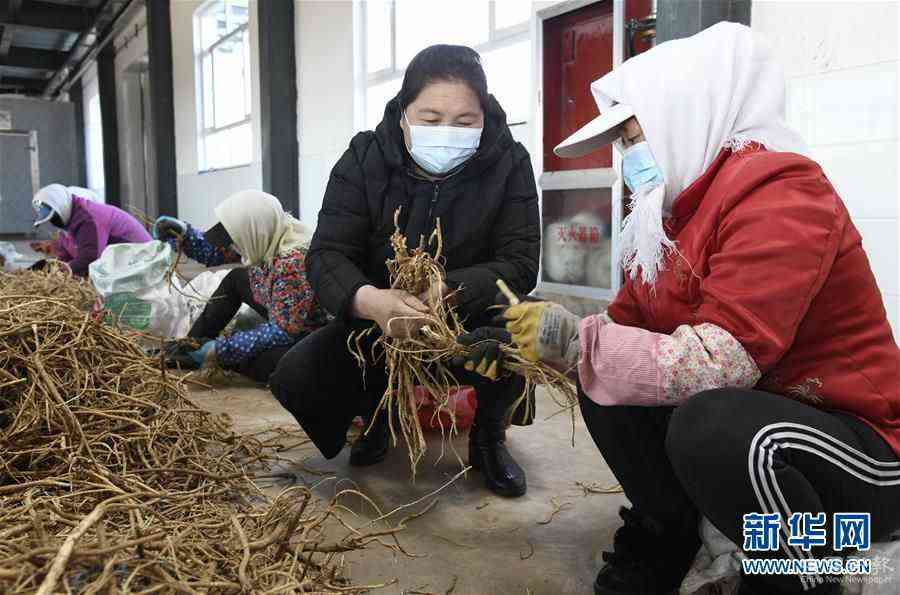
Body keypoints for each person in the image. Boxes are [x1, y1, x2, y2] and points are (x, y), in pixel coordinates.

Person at [461, 23, 900, 595]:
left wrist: (579, 343)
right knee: (608, 383)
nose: (628, 159)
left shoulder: (785, 195)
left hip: (862, 448)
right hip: (767, 424)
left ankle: (797, 576)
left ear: (687, 115)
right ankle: (668, 535)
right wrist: (532, 349)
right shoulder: (673, 216)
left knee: (711, 425)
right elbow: (620, 332)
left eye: (633, 137)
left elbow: (722, 363)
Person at [268, 44, 541, 497]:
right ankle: (379, 416)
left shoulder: (508, 162)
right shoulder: (364, 159)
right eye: (430, 120)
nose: (447, 132)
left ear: (484, 117)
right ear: (403, 114)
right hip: (382, 318)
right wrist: (371, 300)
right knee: (299, 372)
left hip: (467, 319)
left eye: (464, 121)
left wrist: (447, 291)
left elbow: (520, 263)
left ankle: (489, 437)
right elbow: (327, 255)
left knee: (519, 335)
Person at [153, 190, 327, 382]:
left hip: (310, 333)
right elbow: (217, 254)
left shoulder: (292, 262)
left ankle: (209, 353)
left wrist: (220, 350)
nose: (233, 247)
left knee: (267, 364)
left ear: (253, 231)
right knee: (236, 278)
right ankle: (190, 347)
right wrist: (184, 236)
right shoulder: (265, 235)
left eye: (235, 241)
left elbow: (284, 331)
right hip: (283, 311)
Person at [31, 184, 151, 276]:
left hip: (142, 264)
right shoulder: (70, 223)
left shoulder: (88, 219)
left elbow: (89, 259)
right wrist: (53, 268)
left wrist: (59, 273)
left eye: (53, 217)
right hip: (125, 265)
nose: (53, 222)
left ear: (62, 207)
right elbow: (65, 255)